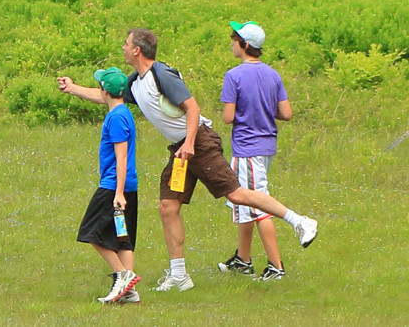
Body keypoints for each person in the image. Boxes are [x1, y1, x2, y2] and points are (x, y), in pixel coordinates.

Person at [57, 28, 318, 292]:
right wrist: (73, 88)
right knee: (168, 207)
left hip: (199, 144)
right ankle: (179, 275)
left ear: (137, 50)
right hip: (181, 149)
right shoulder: (136, 81)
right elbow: (107, 96)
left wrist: (191, 143)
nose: (123, 47)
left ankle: (300, 222)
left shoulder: (162, 75)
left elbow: (192, 107)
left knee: (237, 195)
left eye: (125, 44)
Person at [216, 21, 294, 281]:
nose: (231, 42)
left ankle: (276, 266)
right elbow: (286, 113)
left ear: (245, 45)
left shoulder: (234, 75)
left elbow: (228, 117)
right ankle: (243, 259)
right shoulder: (273, 74)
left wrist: (244, 111)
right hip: (267, 146)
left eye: (234, 39)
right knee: (246, 200)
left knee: (259, 204)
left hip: (246, 148)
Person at [77, 67, 142, 304]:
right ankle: (129, 293)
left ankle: (123, 275)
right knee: (122, 238)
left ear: (104, 91)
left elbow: (121, 157)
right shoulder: (124, 111)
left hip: (114, 187)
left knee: (91, 232)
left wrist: (118, 193)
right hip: (127, 186)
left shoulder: (115, 118)